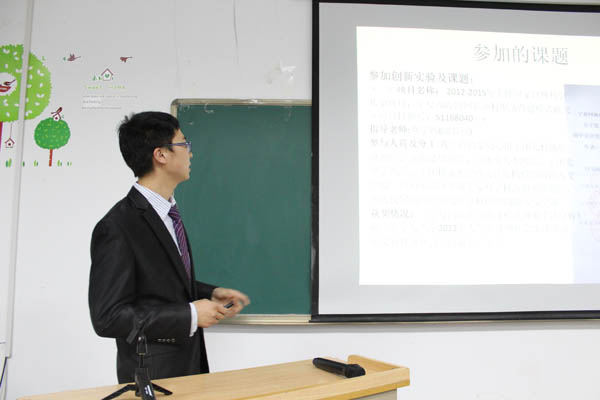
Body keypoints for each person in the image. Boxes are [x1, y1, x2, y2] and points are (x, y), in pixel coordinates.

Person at [89, 111, 250, 383]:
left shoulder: (168, 213)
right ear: (161, 154)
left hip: (189, 367)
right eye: (184, 144)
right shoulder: (118, 226)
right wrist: (190, 314)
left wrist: (210, 293)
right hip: (154, 376)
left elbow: (159, 281)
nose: (191, 153)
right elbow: (108, 317)